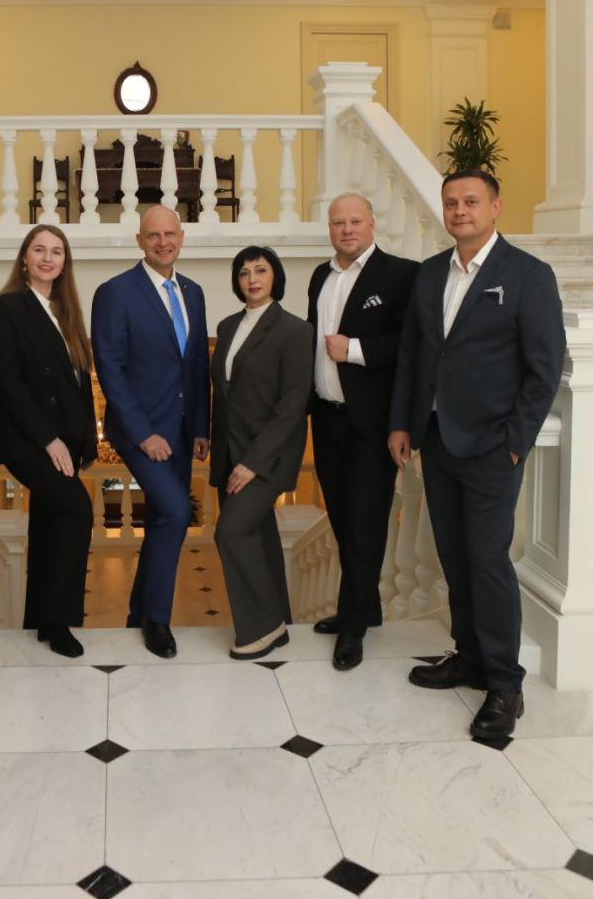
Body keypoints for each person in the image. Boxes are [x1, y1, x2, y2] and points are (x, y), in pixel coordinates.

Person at [389, 169, 565, 739]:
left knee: (488, 562)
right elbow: (414, 355)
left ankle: (506, 685)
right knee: (453, 555)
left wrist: (515, 443)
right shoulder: (430, 273)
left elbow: (543, 370)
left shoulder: (529, 275)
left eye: (470, 201)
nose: (459, 210)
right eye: (451, 202)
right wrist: (403, 424)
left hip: (492, 447)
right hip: (437, 439)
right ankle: (467, 656)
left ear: (495, 207)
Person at [92, 204, 210, 658]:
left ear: (181, 237)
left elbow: (196, 366)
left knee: (165, 518)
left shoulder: (194, 292)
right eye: (153, 235)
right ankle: (157, 621)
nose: (163, 242)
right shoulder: (115, 292)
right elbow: (110, 369)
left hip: (181, 430)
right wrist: (143, 434)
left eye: (170, 234)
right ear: (139, 240)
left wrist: (200, 426)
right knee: (177, 513)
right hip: (140, 430)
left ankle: (138, 614)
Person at [307, 194, 419, 671]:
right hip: (326, 419)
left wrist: (352, 349)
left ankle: (352, 629)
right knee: (341, 520)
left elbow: (412, 344)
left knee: (366, 524)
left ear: (372, 224)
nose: (347, 229)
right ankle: (366, 607)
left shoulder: (401, 274)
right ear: (329, 228)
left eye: (355, 221)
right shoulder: (320, 275)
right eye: (338, 222)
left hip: (373, 425)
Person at [0, 224, 96, 658]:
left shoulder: (66, 310)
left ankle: (40, 620)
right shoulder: (7, 307)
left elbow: (80, 382)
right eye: (39, 250)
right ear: (25, 259)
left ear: (65, 263)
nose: (48, 258)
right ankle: (59, 621)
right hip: (26, 439)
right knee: (76, 509)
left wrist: (85, 441)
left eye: (57, 251)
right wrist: (49, 440)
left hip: (65, 439)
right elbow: (8, 384)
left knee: (50, 520)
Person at [210, 246, 312, 660]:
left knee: (230, 531)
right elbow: (225, 394)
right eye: (244, 272)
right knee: (258, 535)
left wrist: (252, 463)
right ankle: (279, 621)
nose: (252, 279)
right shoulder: (227, 326)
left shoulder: (295, 330)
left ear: (275, 277)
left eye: (261, 270)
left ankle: (261, 627)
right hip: (229, 452)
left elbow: (293, 404)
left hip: (266, 456)